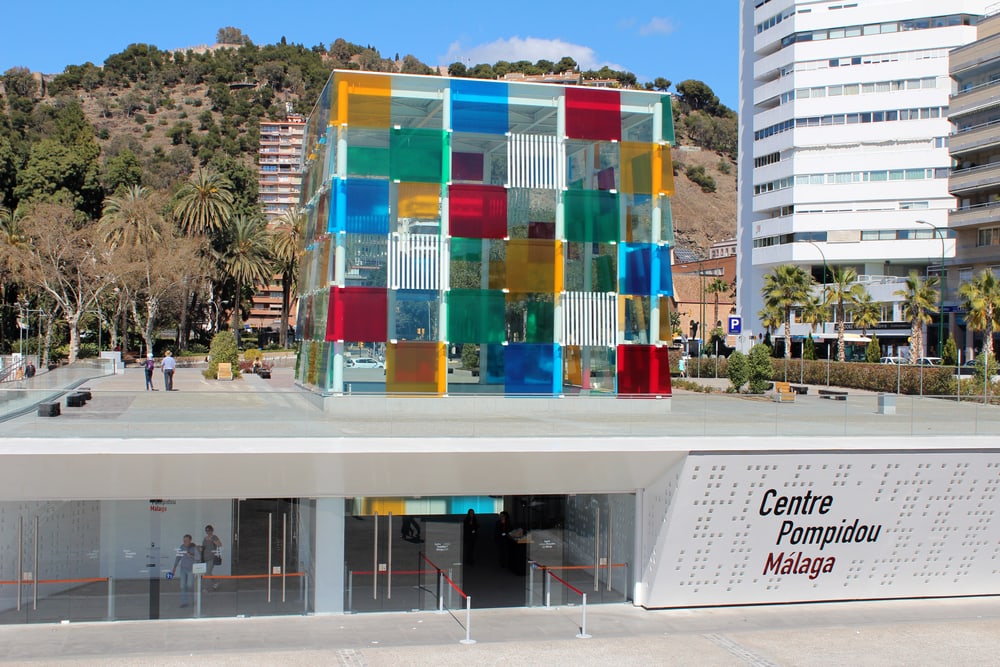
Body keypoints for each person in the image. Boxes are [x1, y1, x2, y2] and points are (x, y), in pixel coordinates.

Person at [171, 534, 197, 608]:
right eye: (184, 540)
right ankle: (184, 602)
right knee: (182, 586)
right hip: (183, 569)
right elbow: (178, 557)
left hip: (191, 569)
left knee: (190, 585)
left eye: (186, 540)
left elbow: (198, 558)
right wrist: (174, 567)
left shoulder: (193, 547)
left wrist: (190, 555)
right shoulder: (182, 547)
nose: (185, 542)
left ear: (190, 540)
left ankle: (194, 599)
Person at [200, 524, 223, 591]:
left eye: (209, 530)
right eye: (207, 531)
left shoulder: (214, 537)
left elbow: (220, 544)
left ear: (212, 531)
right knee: (208, 572)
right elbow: (204, 546)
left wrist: (212, 540)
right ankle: (215, 582)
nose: (208, 532)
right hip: (205, 557)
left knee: (207, 573)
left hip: (212, 557)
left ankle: (205, 587)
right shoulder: (205, 538)